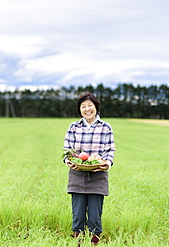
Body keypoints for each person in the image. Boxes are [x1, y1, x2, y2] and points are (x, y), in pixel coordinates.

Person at [62, 92, 115, 246]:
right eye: (83, 106)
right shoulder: (73, 126)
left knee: (94, 216)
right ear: (80, 110)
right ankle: (78, 242)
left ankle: (94, 243)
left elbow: (110, 150)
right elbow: (68, 149)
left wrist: (107, 163)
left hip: (98, 175)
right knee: (77, 215)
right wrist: (69, 161)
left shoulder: (105, 127)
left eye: (89, 105)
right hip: (77, 174)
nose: (87, 109)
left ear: (96, 107)